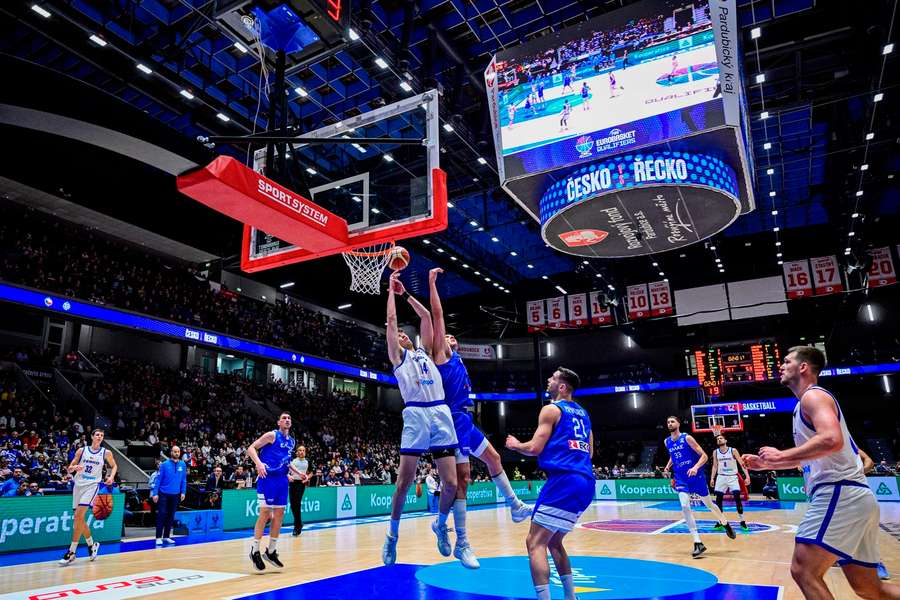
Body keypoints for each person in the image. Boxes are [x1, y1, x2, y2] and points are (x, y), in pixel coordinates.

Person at [743, 346, 900, 599]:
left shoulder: (812, 396)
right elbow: (818, 454)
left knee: (803, 570)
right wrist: (770, 464)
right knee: (869, 588)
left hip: (839, 493)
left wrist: (781, 455)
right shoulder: (804, 405)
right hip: (855, 497)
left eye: (786, 361)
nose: (780, 366)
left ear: (803, 367)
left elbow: (831, 439)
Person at [429, 267, 530, 569]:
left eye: (451, 336)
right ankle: (462, 542)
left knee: (495, 459)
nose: (449, 337)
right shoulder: (442, 356)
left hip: (465, 421)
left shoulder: (459, 360)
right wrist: (433, 284)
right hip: (450, 423)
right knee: (462, 483)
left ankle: (514, 505)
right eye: (445, 336)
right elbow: (437, 317)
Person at [381, 272, 458, 566]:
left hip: (440, 412)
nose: (401, 334)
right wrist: (390, 291)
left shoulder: (424, 351)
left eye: (404, 333)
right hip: (415, 414)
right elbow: (390, 322)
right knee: (403, 482)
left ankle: (440, 524)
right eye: (398, 334)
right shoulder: (398, 357)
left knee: (450, 483)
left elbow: (426, 316)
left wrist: (405, 293)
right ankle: (392, 535)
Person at [506, 368, 595, 600]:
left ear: (562, 387)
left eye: (553, 378)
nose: (548, 380)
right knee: (555, 542)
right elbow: (591, 452)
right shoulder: (584, 414)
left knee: (534, 542)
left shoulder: (551, 409)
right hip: (585, 481)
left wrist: (516, 445)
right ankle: (571, 597)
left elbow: (535, 448)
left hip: (564, 480)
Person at [663, 416, 735, 558]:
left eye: (672, 421)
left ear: (678, 423)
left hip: (696, 476)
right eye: (668, 422)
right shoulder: (667, 442)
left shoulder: (687, 438)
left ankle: (725, 522)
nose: (670, 423)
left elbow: (704, 456)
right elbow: (673, 455)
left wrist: (695, 467)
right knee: (684, 506)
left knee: (709, 504)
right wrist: (667, 466)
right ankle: (698, 542)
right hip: (681, 478)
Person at [246, 412, 300, 571]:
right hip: (267, 478)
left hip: (282, 480)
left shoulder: (291, 441)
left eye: (289, 418)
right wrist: (259, 464)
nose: (287, 420)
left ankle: (271, 551)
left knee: (280, 515)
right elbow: (251, 448)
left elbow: (286, 461)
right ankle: (254, 550)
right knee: (265, 513)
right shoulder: (272, 435)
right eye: (284, 418)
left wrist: (296, 473)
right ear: (278, 422)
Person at [59, 428, 117, 566]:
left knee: (78, 517)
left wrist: (111, 476)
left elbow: (114, 466)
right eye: (97, 434)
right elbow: (70, 467)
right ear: (92, 436)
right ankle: (92, 545)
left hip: (92, 486)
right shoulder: (82, 451)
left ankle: (71, 552)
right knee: (79, 519)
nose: (99, 437)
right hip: (78, 485)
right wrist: (74, 468)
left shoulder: (106, 452)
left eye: (102, 435)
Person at [709, 434, 750, 531]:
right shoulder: (715, 452)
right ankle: (720, 522)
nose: (719, 440)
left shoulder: (733, 450)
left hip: (732, 477)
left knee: (737, 498)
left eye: (721, 438)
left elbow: (742, 464)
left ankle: (742, 521)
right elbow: (715, 466)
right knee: (718, 500)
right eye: (717, 439)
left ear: (725, 440)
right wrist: (712, 478)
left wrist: (747, 476)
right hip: (721, 477)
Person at [151, 445, 187, 546]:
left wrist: (183, 492)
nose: (176, 453)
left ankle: (166, 536)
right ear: (171, 452)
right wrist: (155, 493)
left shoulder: (183, 465)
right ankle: (158, 537)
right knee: (162, 514)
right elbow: (158, 480)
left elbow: (184, 480)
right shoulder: (164, 465)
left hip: (175, 495)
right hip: (163, 494)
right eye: (175, 451)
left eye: (178, 452)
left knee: (171, 516)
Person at [289, 445, 309, 537]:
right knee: (293, 505)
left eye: (303, 450)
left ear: (305, 452)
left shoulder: (307, 461)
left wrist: (307, 477)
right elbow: (287, 470)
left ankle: (297, 526)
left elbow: (312, 472)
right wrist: (289, 477)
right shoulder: (293, 461)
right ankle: (299, 523)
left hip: (301, 484)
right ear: (297, 452)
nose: (301, 452)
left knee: (297, 503)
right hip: (292, 483)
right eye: (300, 450)